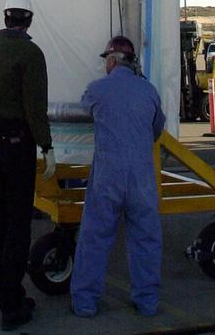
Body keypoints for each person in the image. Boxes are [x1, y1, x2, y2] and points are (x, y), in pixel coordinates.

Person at [0, 0, 55, 331]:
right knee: (18, 223)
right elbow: (35, 107)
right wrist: (46, 146)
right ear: (29, 20)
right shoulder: (30, 53)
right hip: (16, 147)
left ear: (5, 18)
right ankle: (12, 303)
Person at [69, 35, 165, 318]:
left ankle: (85, 302)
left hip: (108, 177)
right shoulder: (149, 91)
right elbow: (157, 129)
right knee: (146, 239)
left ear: (112, 61)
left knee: (95, 237)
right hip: (141, 179)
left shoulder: (97, 90)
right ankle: (147, 302)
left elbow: (85, 107)